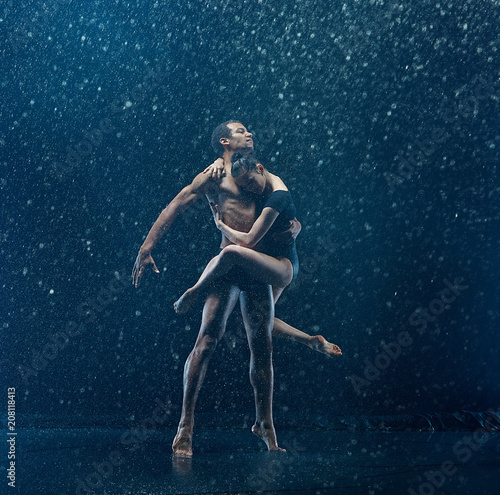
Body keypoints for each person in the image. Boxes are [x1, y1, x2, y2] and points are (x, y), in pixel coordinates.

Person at [131, 121, 335, 457]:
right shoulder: (213, 176)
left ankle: (266, 425)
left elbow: (282, 205)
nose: (250, 133)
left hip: (256, 264)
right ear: (225, 140)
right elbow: (176, 204)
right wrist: (147, 246)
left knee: (262, 345)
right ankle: (185, 425)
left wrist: (295, 226)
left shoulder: (253, 170)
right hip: (226, 269)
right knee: (207, 340)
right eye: (242, 130)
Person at [173, 152, 343, 369]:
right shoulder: (263, 183)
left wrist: (220, 226)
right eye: (245, 187)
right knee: (262, 323)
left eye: (252, 182)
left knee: (230, 252)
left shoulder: (277, 196)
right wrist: (217, 163)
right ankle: (311, 341)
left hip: (284, 265)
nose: (251, 189)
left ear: (261, 169)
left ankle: (194, 291)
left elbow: (249, 241)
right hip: (269, 261)